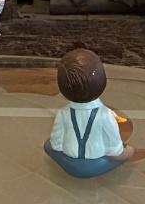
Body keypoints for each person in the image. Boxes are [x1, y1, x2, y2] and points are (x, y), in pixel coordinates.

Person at [47, 48, 126, 176]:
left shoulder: (62, 113)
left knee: (48, 145)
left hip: (69, 161)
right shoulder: (105, 115)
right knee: (129, 150)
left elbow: (56, 145)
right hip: (96, 161)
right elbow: (115, 150)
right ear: (102, 81)